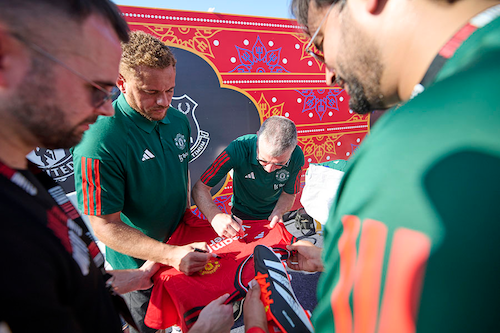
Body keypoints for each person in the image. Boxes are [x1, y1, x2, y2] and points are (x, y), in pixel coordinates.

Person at [244, 0, 500, 332]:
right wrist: (332, 260)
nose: (328, 76)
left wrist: (254, 326)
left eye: (320, 46)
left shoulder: (403, 152)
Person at [71, 30, 223, 333]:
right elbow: (104, 225)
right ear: (121, 83)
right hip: (138, 269)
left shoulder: (177, 119)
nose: (163, 101)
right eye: (151, 92)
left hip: (186, 249)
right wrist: (169, 255)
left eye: (170, 90)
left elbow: (182, 174)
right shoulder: (99, 139)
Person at [192, 116, 305, 238]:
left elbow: (289, 194)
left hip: (273, 213)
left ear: (292, 150)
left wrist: (278, 212)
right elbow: (200, 188)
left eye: (280, 164)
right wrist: (215, 216)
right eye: (263, 161)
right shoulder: (238, 148)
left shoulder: (297, 156)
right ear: (257, 139)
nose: (269, 169)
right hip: (240, 215)